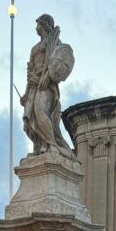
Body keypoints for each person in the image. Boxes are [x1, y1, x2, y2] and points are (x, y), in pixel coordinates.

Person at [20, 14, 73, 155]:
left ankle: (52, 144)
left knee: (41, 112)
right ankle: (41, 145)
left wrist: (48, 76)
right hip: (34, 84)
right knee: (31, 118)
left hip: (46, 83)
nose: (36, 26)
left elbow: (60, 59)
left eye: (38, 23)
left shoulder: (54, 41)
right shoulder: (34, 49)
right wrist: (26, 93)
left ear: (44, 25)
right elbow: (30, 70)